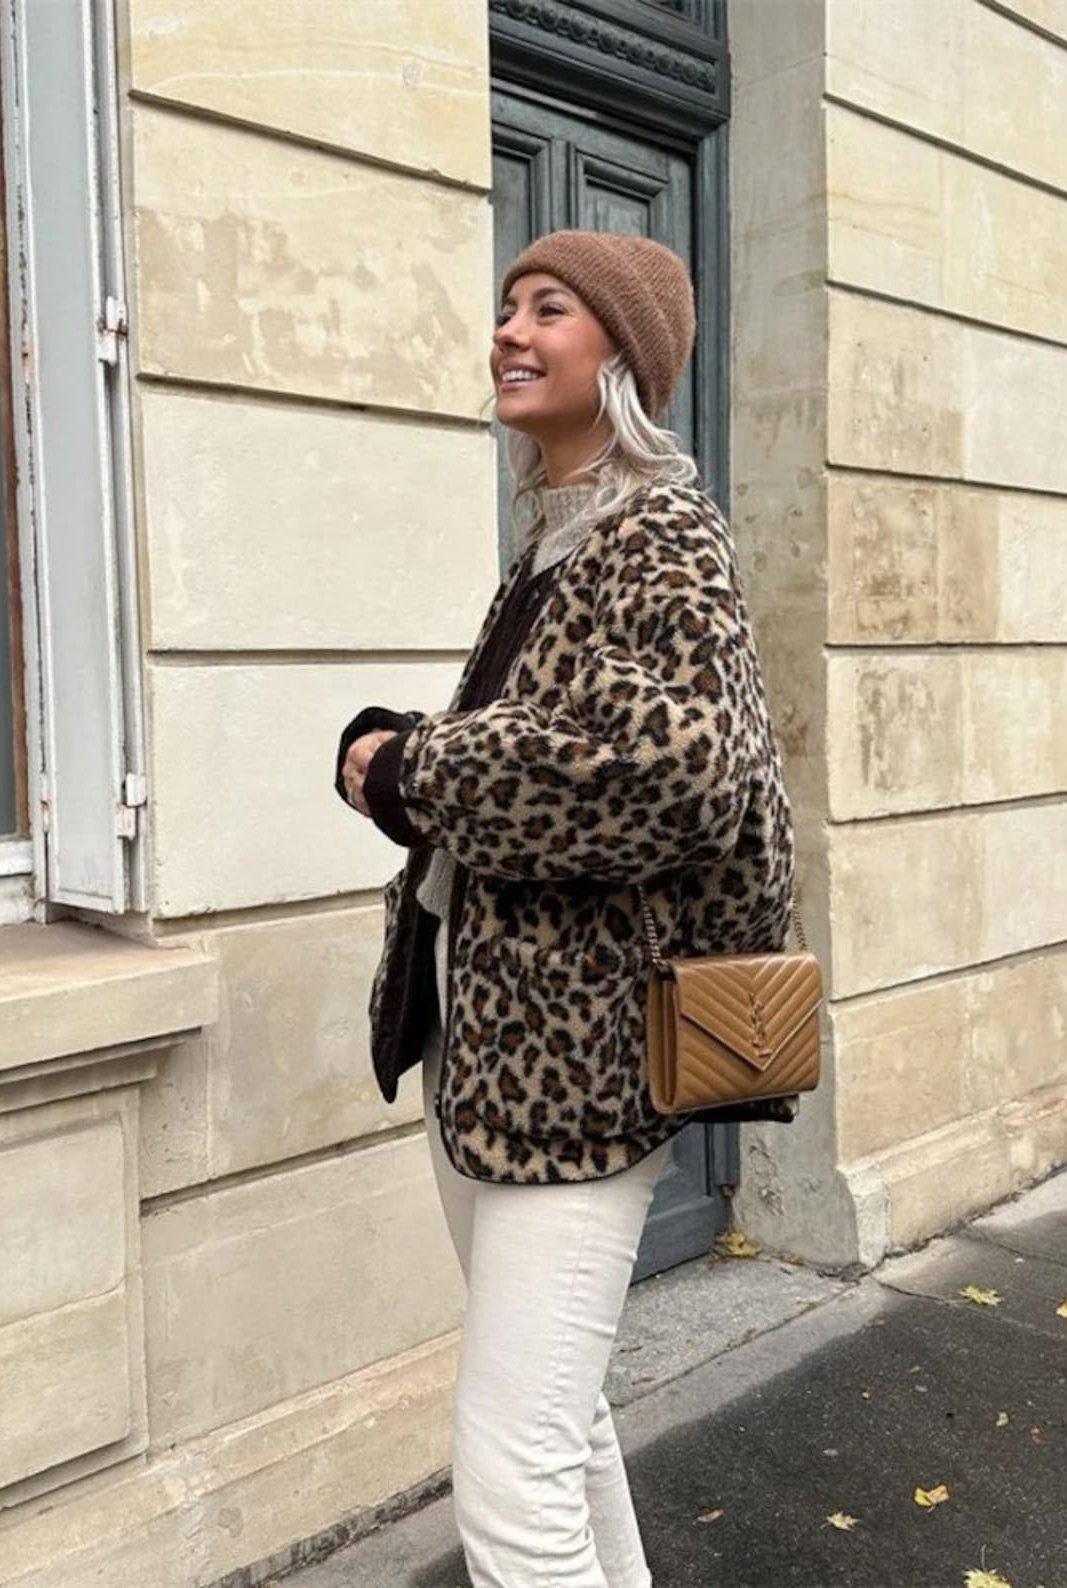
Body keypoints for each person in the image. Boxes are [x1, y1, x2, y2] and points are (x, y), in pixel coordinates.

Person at [335, 229, 796, 1587]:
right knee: (561, 1421)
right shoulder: (557, 542)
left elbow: (682, 772)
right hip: (486, 1049)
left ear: (624, 356)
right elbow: (557, 747)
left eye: (549, 309)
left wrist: (414, 766)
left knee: (511, 1480)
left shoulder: (665, 535)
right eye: (506, 307)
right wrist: (414, 758)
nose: (510, 331)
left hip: (581, 1069)